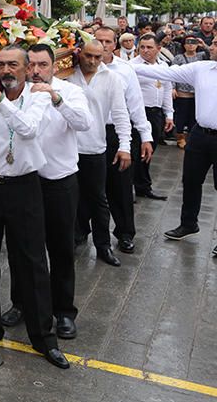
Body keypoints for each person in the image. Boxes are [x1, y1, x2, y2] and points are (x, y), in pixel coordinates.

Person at [0, 45, 68, 369]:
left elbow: (28, 129)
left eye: (13, 65)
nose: (6, 70)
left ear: (26, 69)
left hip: (25, 188)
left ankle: (43, 338)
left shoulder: (37, 96)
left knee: (33, 262)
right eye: (1, 65)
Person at [0, 44, 92, 340]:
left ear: (55, 66)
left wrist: (56, 99)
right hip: (25, 180)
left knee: (61, 248)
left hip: (59, 182)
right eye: (32, 65)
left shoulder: (70, 91)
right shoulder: (19, 93)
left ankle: (63, 311)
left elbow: (83, 123)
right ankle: (21, 302)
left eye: (43, 65)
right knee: (21, 247)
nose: (37, 71)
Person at [128, 35, 217, 245]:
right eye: (213, 42)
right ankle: (188, 224)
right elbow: (165, 72)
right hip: (199, 134)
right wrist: (120, 65)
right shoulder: (202, 68)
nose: (211, 46)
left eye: (215, 43)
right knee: (191, 180)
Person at [67, 41, 132, 263]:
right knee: (70, 197)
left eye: (98, 56)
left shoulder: (111, 78)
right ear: (79, 54)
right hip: (68, 148)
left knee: (98, 199)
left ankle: (103, 245)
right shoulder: (66, 74)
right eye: (88, 56)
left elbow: (121, 113)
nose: (93, 61)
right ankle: (74, 236)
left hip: (95, 147)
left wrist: (125, 146)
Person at [95, 27, 159, 202]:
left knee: (120, 189)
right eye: (99, 41)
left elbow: (136, 104)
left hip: (117, 132)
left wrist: (146, 136)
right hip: (88, 134)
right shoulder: (78, 68)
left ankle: (124, 229)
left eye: (108, 41)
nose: (103, 45)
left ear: (115, 44)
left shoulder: (125, 69)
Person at [130, 34, 174, 194]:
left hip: (156, 113)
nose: (145, 50)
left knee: (150, 149)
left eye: (149, 47)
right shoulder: (131, 66)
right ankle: (129, 187)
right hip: (138, 113)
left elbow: (167, 89)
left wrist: (169, 114)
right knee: (135, 150)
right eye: (142, 47)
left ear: (158, 48)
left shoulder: (163, 65)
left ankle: (143, 186)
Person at [172, 36, 207, 148]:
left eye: (194, 42)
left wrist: (204, 45)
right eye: (188, 42)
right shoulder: (178, 58)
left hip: (198, 93)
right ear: (184, 45)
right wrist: (172, 87)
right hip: (182, 92)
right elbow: (172, 72)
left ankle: (191, 138)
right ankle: (180, 137)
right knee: (181, 116)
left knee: (194, 117)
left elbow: (211, 54)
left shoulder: (202, 56)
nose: (191, 45)